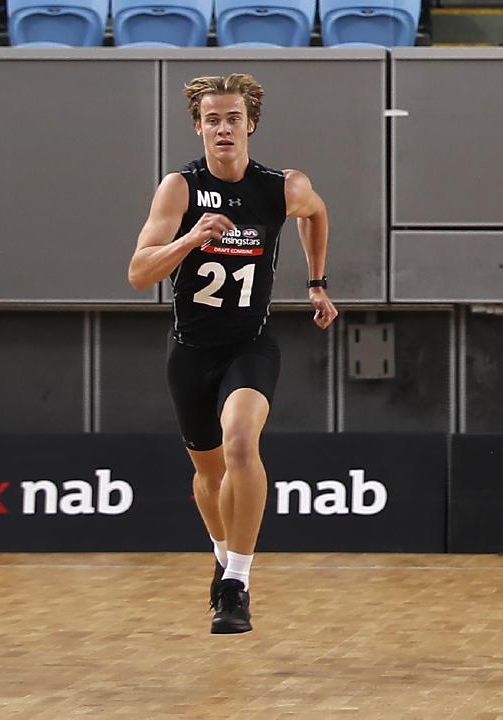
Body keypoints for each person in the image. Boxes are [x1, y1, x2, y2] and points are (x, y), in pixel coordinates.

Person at [127, 74, 338, 634]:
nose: (224, 128)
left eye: (233, 118)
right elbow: (138, 272)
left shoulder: (281, 186)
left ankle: (236, 583)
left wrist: (317, 281)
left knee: (243, 444)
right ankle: (223, 553)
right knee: (209, 472)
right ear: (198, 127)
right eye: (213, 119)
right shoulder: (180, 188)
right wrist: (191, 239)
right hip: (191, 351)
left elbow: (316, 213)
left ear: (251, 125)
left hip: (250, 345)